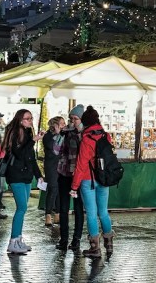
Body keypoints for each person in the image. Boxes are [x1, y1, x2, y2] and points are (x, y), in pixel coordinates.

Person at [71, 106, 114, 259]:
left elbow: (81, 165)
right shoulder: (106, 136)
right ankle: (109, 244)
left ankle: (95, 248)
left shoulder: (86, 139)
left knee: (91, 213)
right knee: (103, 212)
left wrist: (74, 187)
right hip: (103, 179)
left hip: (88, 181)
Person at [2, 108, 42, 255]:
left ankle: (18, 240)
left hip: (26, 176)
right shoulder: (15, 133)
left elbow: (31, 157)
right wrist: (32, 141)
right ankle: (13, 242)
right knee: (21, 208)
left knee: (23, 209)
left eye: (31, 118)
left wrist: (38, 175)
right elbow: (19, 154)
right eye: (27, 118)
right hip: (16, 175)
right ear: (20, 120)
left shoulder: (27, 133)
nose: (30, 121)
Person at [56, 105, 85, 252]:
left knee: (78, 208)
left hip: (78, 175)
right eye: (71, 118)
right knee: (63, 208)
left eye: (76, 118)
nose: (73, 121)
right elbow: (56, 150)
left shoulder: (84, 133)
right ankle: (64, 239)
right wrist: (59, 135)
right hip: (64, 173)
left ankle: (76, 239)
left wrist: (78, 132)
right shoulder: (65, 132)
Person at [42, 116, 64, 227]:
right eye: (61, 123)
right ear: (55, 125)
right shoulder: (48, 136)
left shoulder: (62, 135)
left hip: (61, 165)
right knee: (53, 188)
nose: (64, 125)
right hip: (51, 165)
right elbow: (52, 147)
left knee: (59, 189)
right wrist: (57, 133)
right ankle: (48, 215)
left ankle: (58, 215)